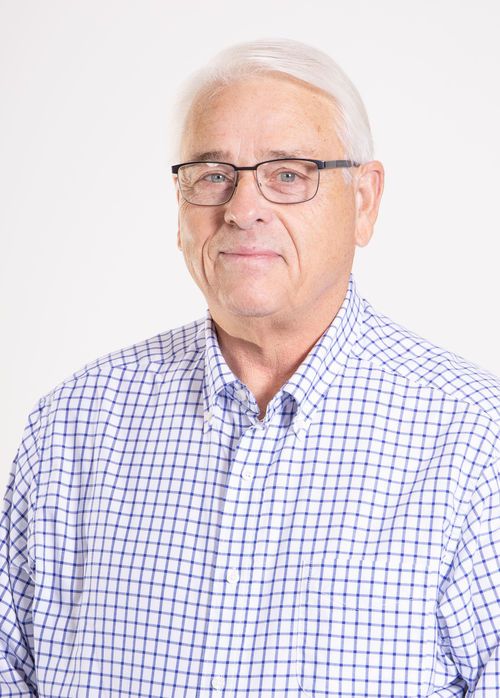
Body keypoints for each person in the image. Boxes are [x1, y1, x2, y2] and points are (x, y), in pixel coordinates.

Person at [1, 37, 499, 698]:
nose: (241, 209)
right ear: (180, 204)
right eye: (213, 175)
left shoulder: (475, 443)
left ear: (364, 200)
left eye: (288, 174)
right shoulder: (71, 428)